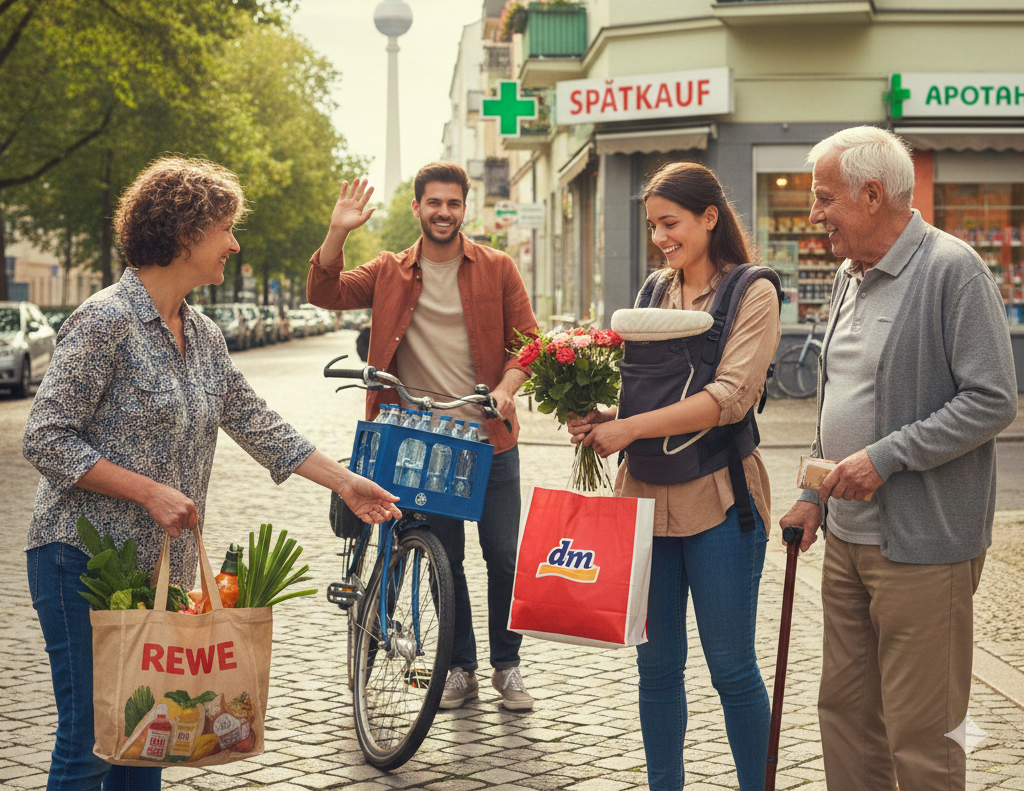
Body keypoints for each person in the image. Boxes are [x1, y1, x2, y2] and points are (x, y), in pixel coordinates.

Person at [23, 157, 400, 791]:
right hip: (79, 560)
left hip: (158, 567)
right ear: (182, 234)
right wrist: (147, 491)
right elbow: (45, 436)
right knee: (91, 746)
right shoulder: (104, 322)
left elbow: (258, 422)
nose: (234, 242)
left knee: (148, 742)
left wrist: (344, 482)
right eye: (224, 227)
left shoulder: (201, 335)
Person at [778, 126, 1018, 791]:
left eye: (825, 198)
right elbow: (840, 399)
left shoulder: (953, 271)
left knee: (923, 733)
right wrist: (812, 490)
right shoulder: (850, 276)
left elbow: (992, 400)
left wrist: (887, 457)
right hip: (848, 538)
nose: (814, 215)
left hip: (924, 548)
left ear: (873, 194)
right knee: (846, 716)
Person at [567, 162, 782, 791]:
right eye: (653, 225)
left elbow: (730, 396)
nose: (661, 237)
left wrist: (628, 431)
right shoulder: (653, 295)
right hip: (643, 502)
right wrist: (605, 416)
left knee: (733, 668)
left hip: (721, 500)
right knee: (656, 668)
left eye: (672, 223)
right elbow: (647, 395)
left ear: (709, 218)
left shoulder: (752, 291)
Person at [306, 163, 539, 711]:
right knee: (445, 558)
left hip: (490, 437)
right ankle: (460, 667)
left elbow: (529, 342)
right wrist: (338, 230)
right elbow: (325, 291)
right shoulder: (390, 270)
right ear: (417, 208)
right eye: (433, 203)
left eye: (453, 204)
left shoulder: (498, 267)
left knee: (504, 556)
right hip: (422, 444)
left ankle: (508, 667)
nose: (444, 212)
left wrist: (507, 388)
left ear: (465, 208)